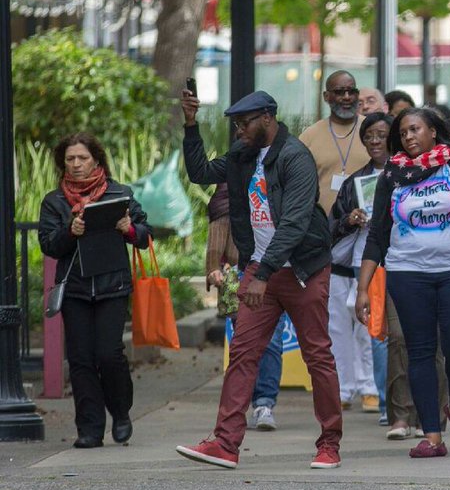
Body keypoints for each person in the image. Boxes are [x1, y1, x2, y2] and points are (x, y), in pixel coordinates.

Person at [176, 90, 342, 470]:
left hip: (302, 269)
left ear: (267, 117)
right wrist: (190, 125)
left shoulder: (295, 156)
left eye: (245, 123)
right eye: (235, 124)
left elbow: (295, 222)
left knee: (317, 354)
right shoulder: (243, 155)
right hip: (259, 268)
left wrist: (263, 274)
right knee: (243, 354)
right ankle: (225, 443)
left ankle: (329, 443)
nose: (239, 131)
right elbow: (200, 172)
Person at [355, 107, 450, 457]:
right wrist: (363, 288)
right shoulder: (392, 175)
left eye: (415, 129)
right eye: (404, 132)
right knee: (420, 352)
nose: (409, 137)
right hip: (407, 272)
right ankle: (432, 435)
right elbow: (378, 235)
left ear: (433, 132)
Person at [38, 133, 151, 449]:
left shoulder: (119, 194)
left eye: (82, 158)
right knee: (81, 359)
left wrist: (128, 228)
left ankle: (121, 411)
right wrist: (68, 232)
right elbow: (48, 244)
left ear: (97, 161)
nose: (75, 165)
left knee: (109, 354)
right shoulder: (55, 201)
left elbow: (144, 235)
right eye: (70, 159)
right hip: (74, 290)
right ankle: (89, 428)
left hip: (111, 286)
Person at [205, 183, 285, 431]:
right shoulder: (229, 187)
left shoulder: (279, 181)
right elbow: (217, 228)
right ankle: (239, 407)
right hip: (238, 275)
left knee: (271, 341)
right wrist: (212, 268)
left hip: (274, 270)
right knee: (244, 345)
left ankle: (264, 404)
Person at [329, 113, 393, 414]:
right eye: (369, 136)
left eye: (382, 134)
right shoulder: (355, 181)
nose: (376, 140)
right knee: (375, 329)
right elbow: (334, 224)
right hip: (365, 263)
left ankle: (399, 400)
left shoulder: (410, 173)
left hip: (408, 259)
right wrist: (349, 220)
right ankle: (383, 401)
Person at [299, 71, 369, 216]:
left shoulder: (372, 131)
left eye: (352, 91)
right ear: (326, 96)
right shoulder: (309, 136)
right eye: (339, 92)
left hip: (367, 225)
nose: (347, 97)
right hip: (323, 228)